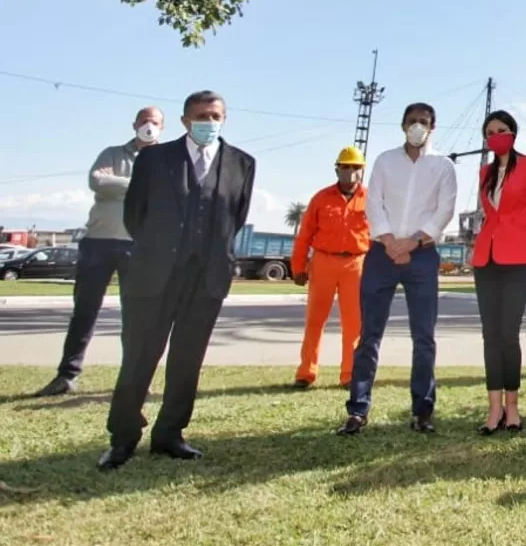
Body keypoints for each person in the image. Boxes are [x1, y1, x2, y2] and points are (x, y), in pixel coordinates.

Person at [97, 92, 256, 470]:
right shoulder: (154, 158)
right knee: (139, 355)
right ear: (185, 120)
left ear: (225, 118)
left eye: (215, 115)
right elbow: (136, 213)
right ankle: (122, 438)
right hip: (155, 275)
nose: (209, 121)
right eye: (201, 115)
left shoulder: (242, 163)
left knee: (188, 359)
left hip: (207, 278)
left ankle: (170, 434)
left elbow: (235, 217)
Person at [337, 102, 457, 436]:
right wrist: (391, 242)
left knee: (424, 337)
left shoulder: (443, 166)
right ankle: (357, 411)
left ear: (432, 127)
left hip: (422, 255)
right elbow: (373, 203)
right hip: (381, 254)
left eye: (424, 122)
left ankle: (422, 411)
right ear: (403, 126)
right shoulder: (385, 161)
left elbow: (444, 210)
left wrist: (412, 243)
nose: (417, 126)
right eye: (412, 121)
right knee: (369, 335)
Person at [34, 106, 164, 398]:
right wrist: (138, 185)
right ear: (134, 124)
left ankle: (135, 381)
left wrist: (120, 186)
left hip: (140, 246)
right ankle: (66, 376)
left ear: (162, 128)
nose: (148, 126)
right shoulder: (112, 153)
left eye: (154, 122)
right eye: (144, 121)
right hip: (98, 243)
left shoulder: (165, 159)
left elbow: (166, 193)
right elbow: (97, 181)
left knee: (136, 317)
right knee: (84, 312)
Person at [472, 110, 526, 434]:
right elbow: (490, 214)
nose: (496, 135)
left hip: (519, 257)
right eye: (490, 131)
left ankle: (513, 408)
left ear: (513, 133)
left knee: (508, 333)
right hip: (486, 258)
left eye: (501, 130)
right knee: (490, 335)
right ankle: (494, 410)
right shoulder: (485, 171)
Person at [289, 146, 370, 390]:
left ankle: (349, 375)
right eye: (345, 166)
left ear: (362, 170)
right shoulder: (321, 198)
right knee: (315, 320)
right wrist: (298, 266)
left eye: (356, 167)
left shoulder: (371, 199)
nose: (350, 172)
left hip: (356, 264)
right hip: (323, 262)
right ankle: (306, 373)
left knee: (354, 323)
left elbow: (378, 236)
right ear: (337, 169)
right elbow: (304, 235)